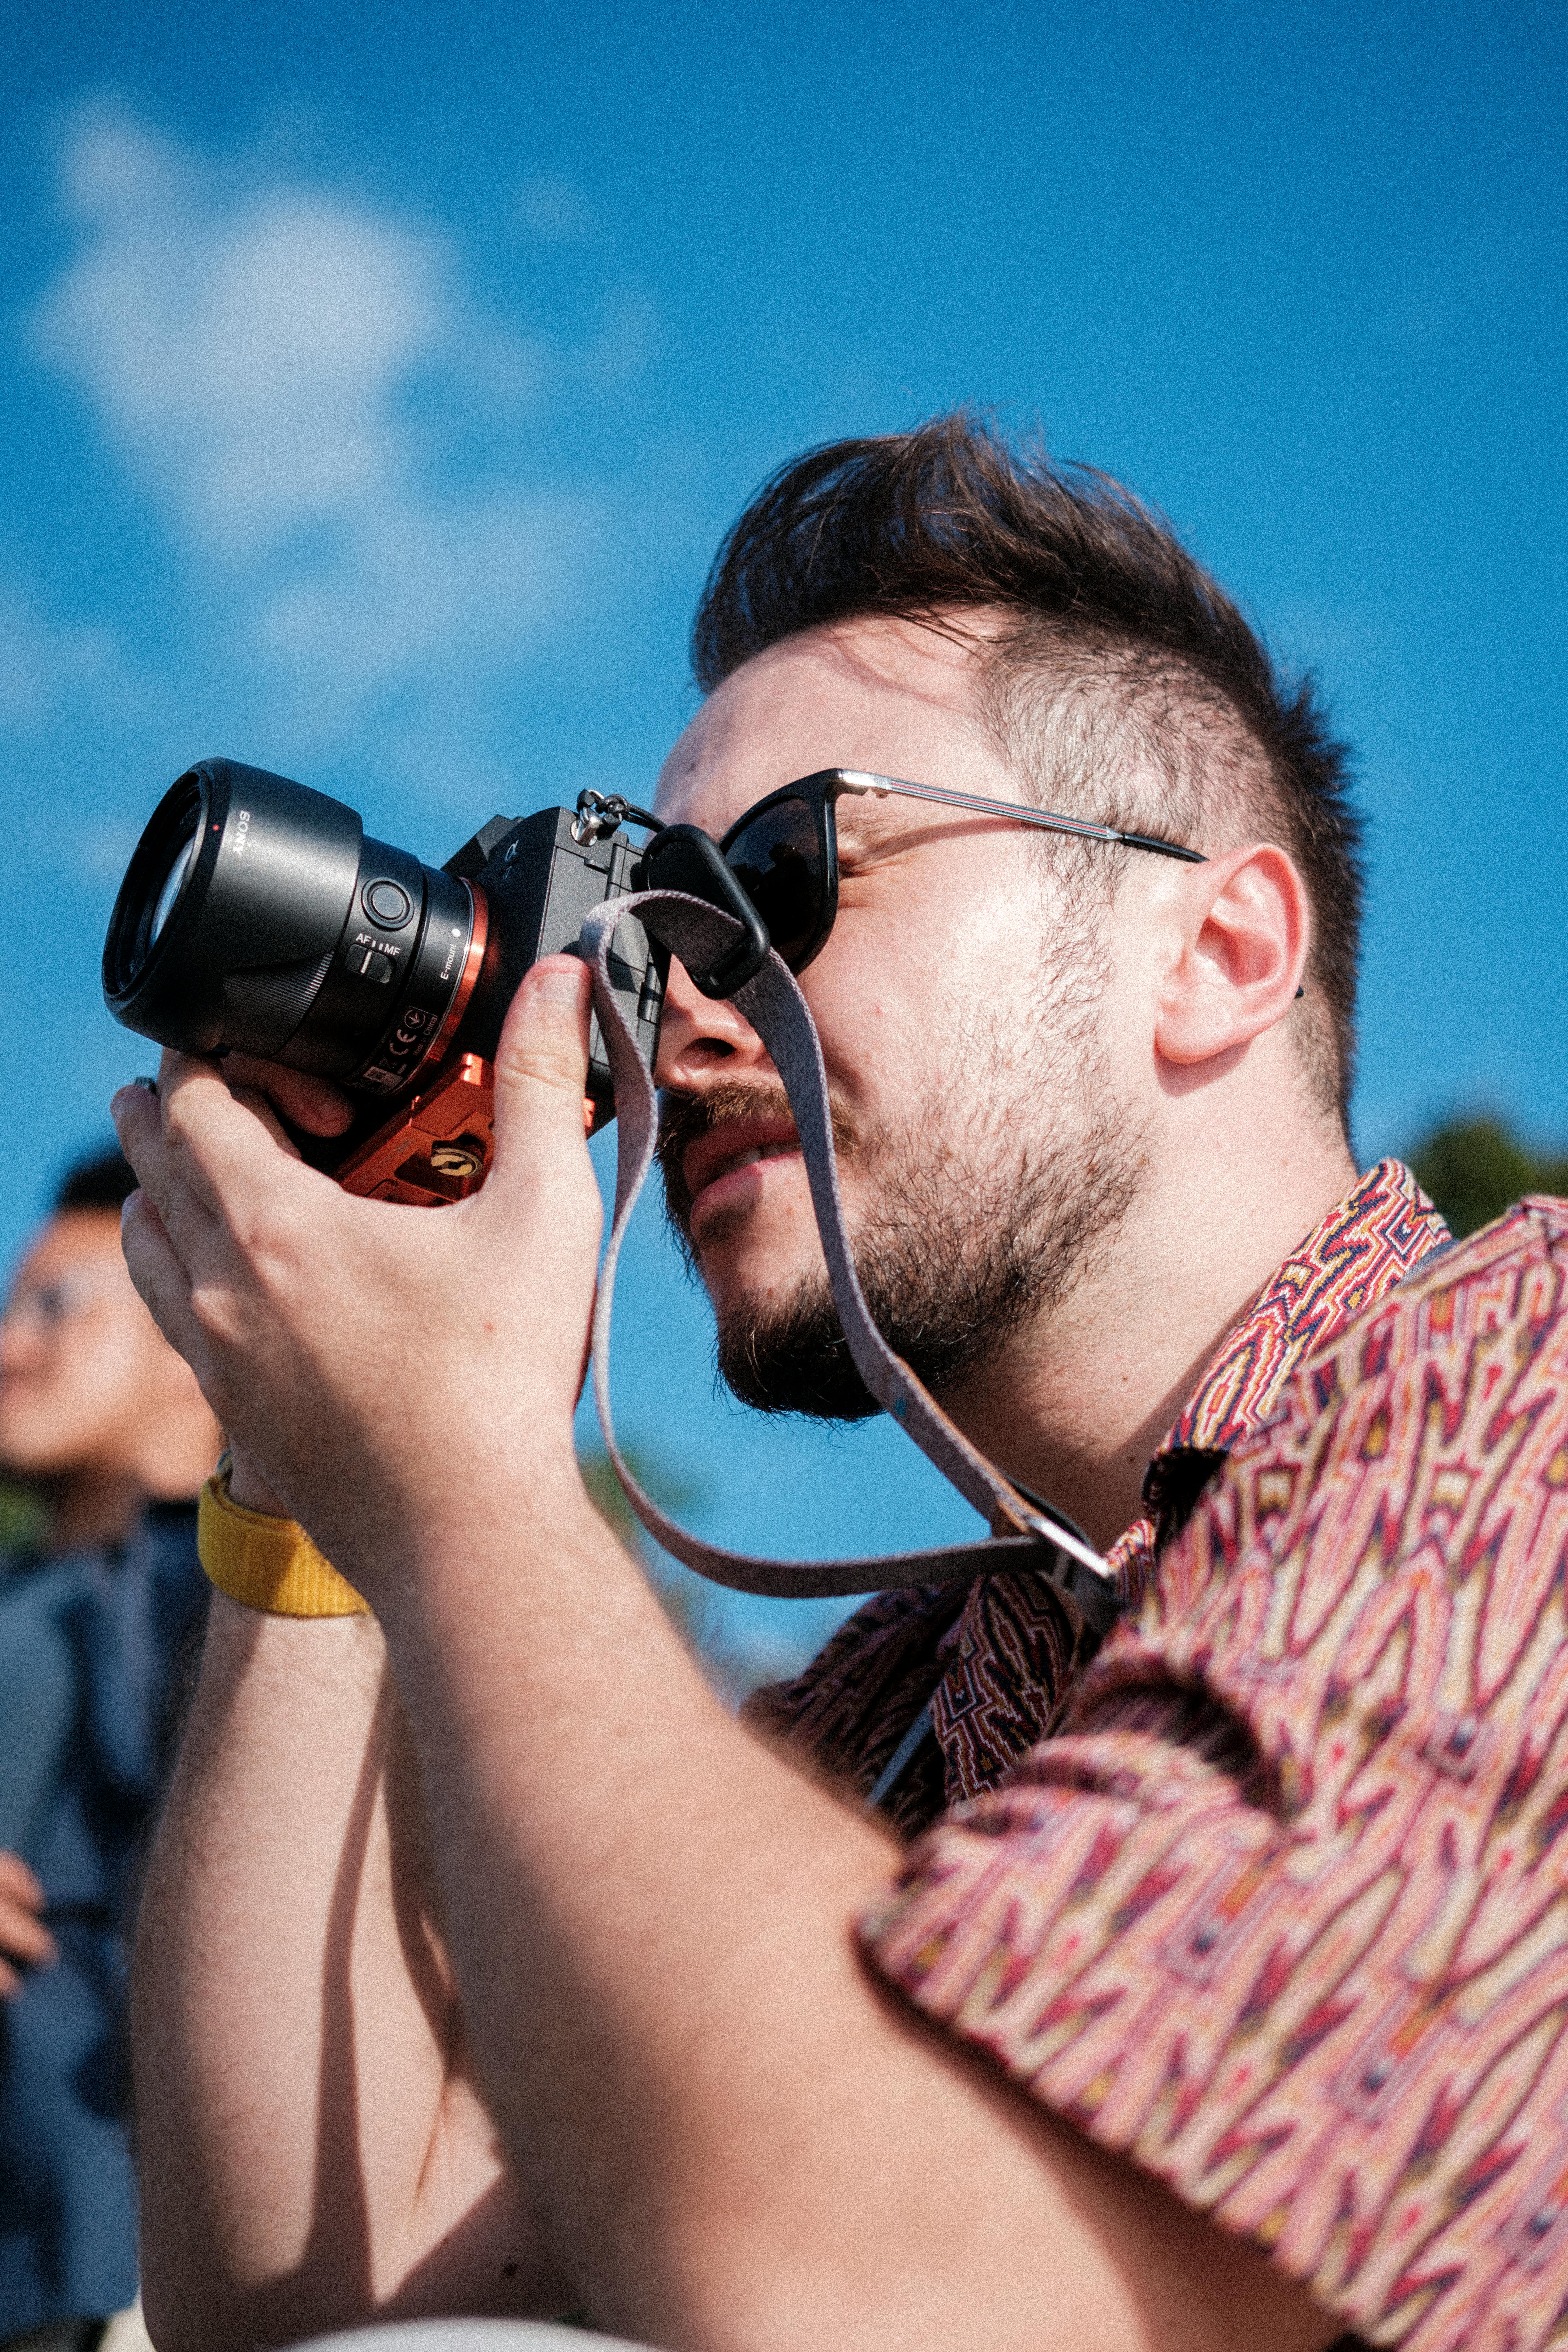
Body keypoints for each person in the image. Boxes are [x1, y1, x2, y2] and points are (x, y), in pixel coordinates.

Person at [118, 418, 1498, 2350]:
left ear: (1216, 946)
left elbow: (907, 2296)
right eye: (652, 935)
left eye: (786, 879)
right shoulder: (903, 1710)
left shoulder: (1516, 1402)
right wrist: (313, 1473)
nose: (678, 1014)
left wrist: (462, 1487)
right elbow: (304, 2305)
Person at [0, 1151, 219, 2351]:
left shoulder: (224, 1598)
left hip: (105, 2274)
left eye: (56, 1307)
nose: (10, 1345)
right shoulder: (28, 1599)